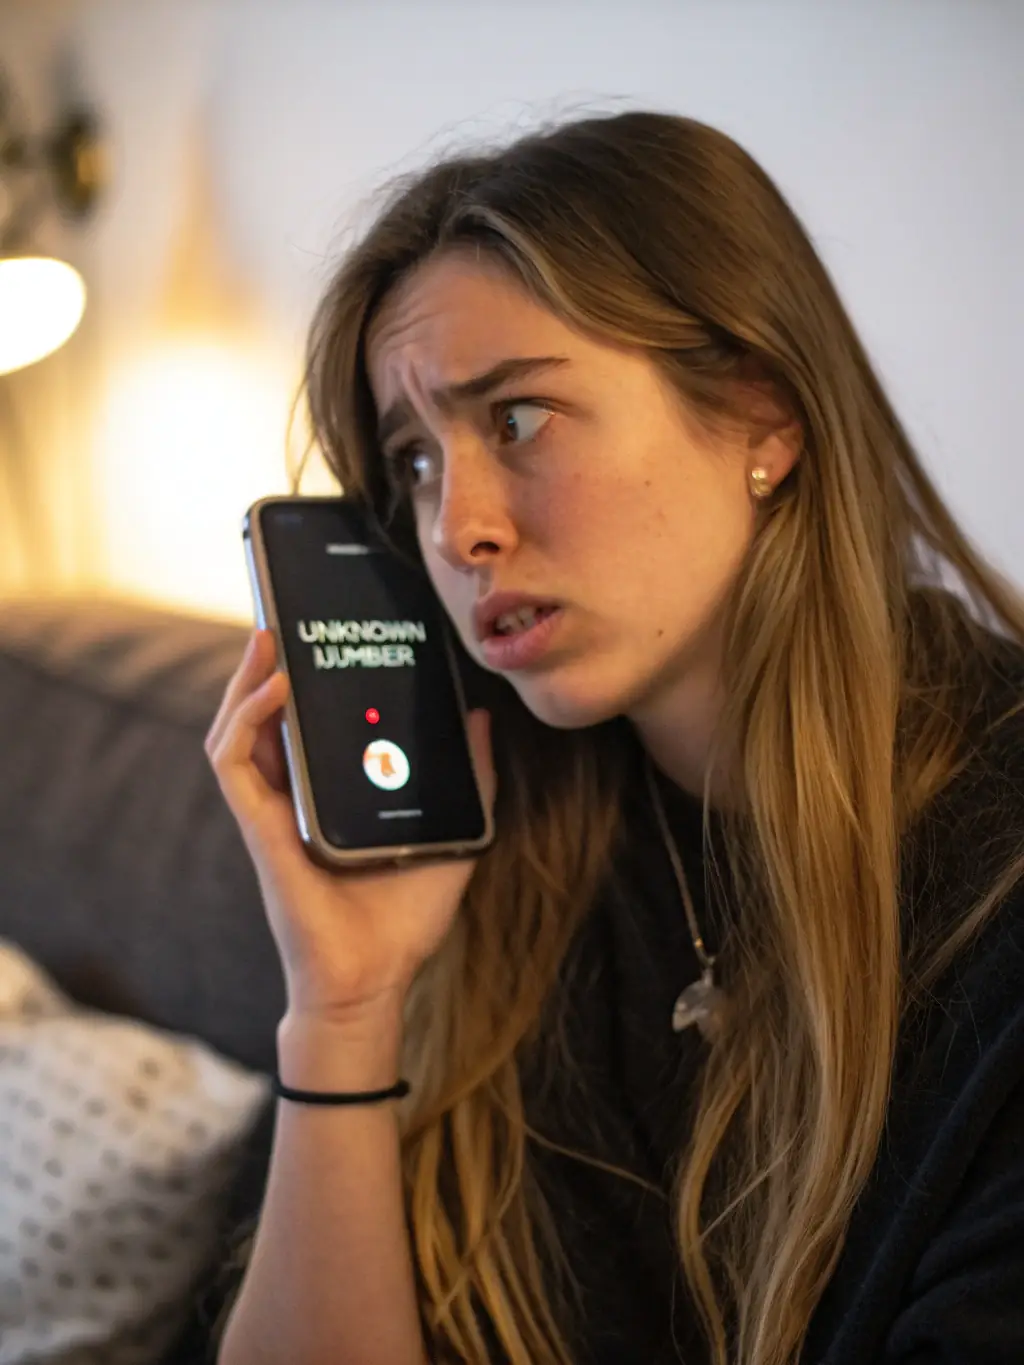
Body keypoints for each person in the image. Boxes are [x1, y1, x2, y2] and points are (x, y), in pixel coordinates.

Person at [204, 110, 1024, 1365]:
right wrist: (346, 1014)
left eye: (519, 419)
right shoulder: (486, 838)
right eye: (415, 460)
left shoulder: (992, 866)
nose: (455, 530)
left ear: (764, 414)